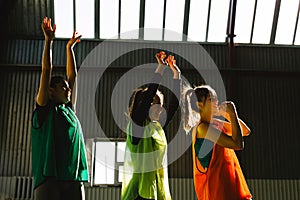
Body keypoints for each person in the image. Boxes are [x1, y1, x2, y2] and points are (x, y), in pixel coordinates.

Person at [30, 17, 88, 200]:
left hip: (72, 179)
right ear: (51, 91)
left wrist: (69, 48)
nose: (68, 89)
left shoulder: (68, 110)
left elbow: (73, 76)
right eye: (63, 87)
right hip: (50, 181)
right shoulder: (45, 110)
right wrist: (49, 42)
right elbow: (46, 70)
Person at [121, 51, 181, 200]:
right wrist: (160, 68)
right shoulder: (137, 127)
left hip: (155, 190)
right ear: (144, 106)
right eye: (153, 104)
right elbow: (148, 97)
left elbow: (173, 106)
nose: (159, 108)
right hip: (138, 193)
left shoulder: (156, 129)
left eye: (160, 104)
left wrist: (176, 75)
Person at [183, 85, 252, 200]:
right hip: (218, 187)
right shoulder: (203, 128)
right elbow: (237, 143)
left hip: (229, 180)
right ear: (199, 104)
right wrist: (233, 114)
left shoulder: (215, 123)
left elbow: (245, 131)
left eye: (216, 98)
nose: (216, 102)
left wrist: (228, 115)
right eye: (211, 99)